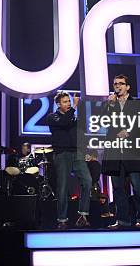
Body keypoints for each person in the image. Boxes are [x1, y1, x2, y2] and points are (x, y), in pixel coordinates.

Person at [101, 74, 140, 229]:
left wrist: (129, 131)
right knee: (118, 188)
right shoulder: (110, 104)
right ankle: (122, 220)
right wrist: (109, 106)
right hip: (116, 152)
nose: (118, 86)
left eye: (121, 84)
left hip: (133, 152)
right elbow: (102, 122)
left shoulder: (138, 103)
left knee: (137, 185)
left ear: (128, 87)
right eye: (115, 84)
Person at [46, 92, 92, 229]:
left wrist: (87, 152)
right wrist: (75, 107)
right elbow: (64, 122)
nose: (68, 104)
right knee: (63, 187)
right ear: (58, 104)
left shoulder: (73, 117)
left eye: (69, 101)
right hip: (62, 154)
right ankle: (62, 219)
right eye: (65, 102)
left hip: (77, 153)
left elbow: (81, 134)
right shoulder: (52, 117)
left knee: (87, 180)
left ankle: (83, 216)